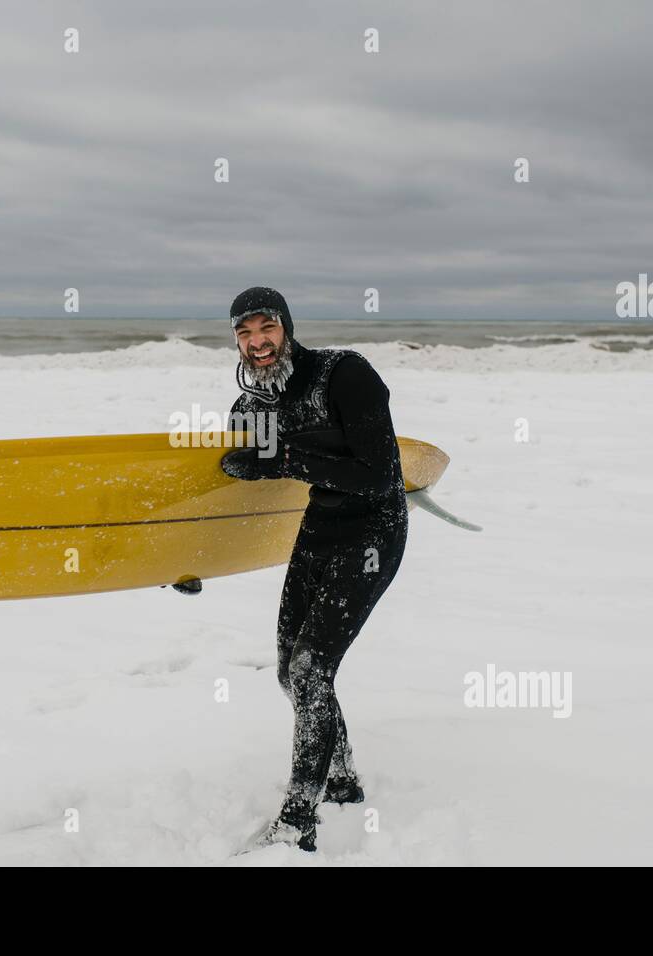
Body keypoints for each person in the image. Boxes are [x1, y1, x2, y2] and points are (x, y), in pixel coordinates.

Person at [222, 286, 409, 852]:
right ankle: (343, 778)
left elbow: (379, 474)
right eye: (244, 334)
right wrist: (186, 560)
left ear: (287, 328)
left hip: (373, 530)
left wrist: (287, 459)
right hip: (320, 528)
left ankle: (299, 819)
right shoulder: (252, 406)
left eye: (266, 329)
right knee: (291, 671)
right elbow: (236, 486)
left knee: (308, 670)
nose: (257, 343)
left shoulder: (344, 375)